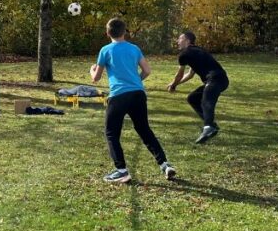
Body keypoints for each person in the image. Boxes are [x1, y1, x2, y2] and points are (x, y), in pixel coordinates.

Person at [90, 17, 176, 183]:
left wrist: (92, 70)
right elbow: (147, 70)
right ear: (124, 32)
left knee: (111, 133)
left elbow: (96, 78)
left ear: (107, 33)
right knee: (144, 130)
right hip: (138, 94)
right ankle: (165, 164)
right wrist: (135, 81)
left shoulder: (105, 50)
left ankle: (121, 170)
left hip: (118, 96)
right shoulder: (134, 48)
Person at [168, 30, 230, 144]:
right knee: (193, 98)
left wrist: (173, 85)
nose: (177, 41)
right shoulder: (198, 51)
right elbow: (190, 74)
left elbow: (180, 74)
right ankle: (211, 125)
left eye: (180, 39)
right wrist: (176, 84)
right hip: (221, 79)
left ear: (187, 40)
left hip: (214, 79)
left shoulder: (184, 54)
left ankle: (208, 127)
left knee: (207, 102)